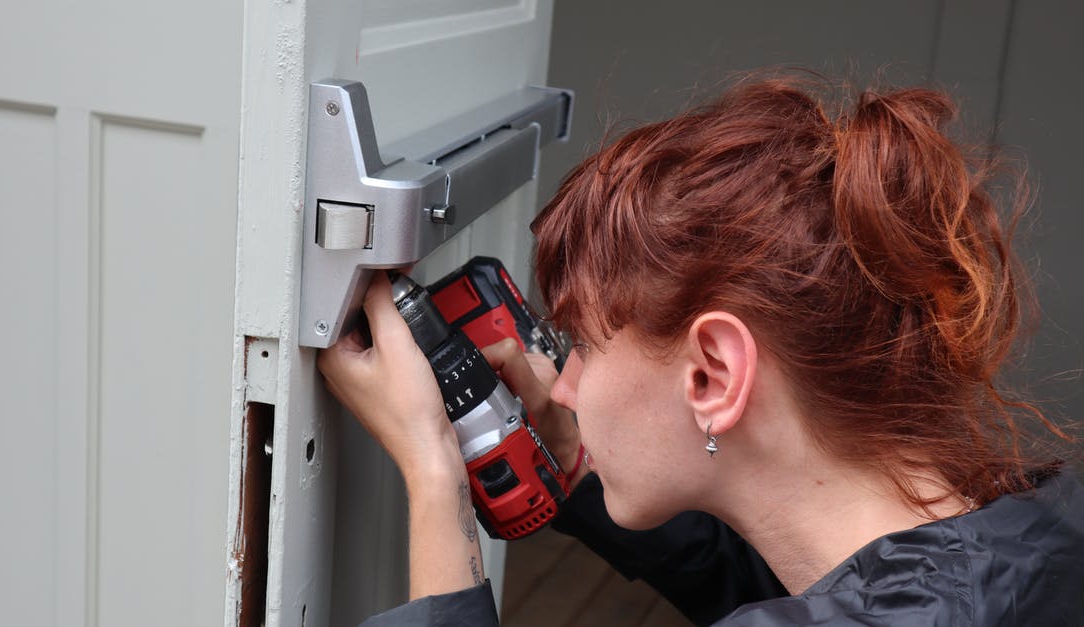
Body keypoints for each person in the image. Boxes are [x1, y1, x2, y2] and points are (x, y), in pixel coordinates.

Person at [317, 74, 1084, 626]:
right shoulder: (1044, 531)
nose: (566, 386)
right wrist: (577, 466)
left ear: (714, 374)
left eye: (582, 345)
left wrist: (431, 469)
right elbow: (791, 588)